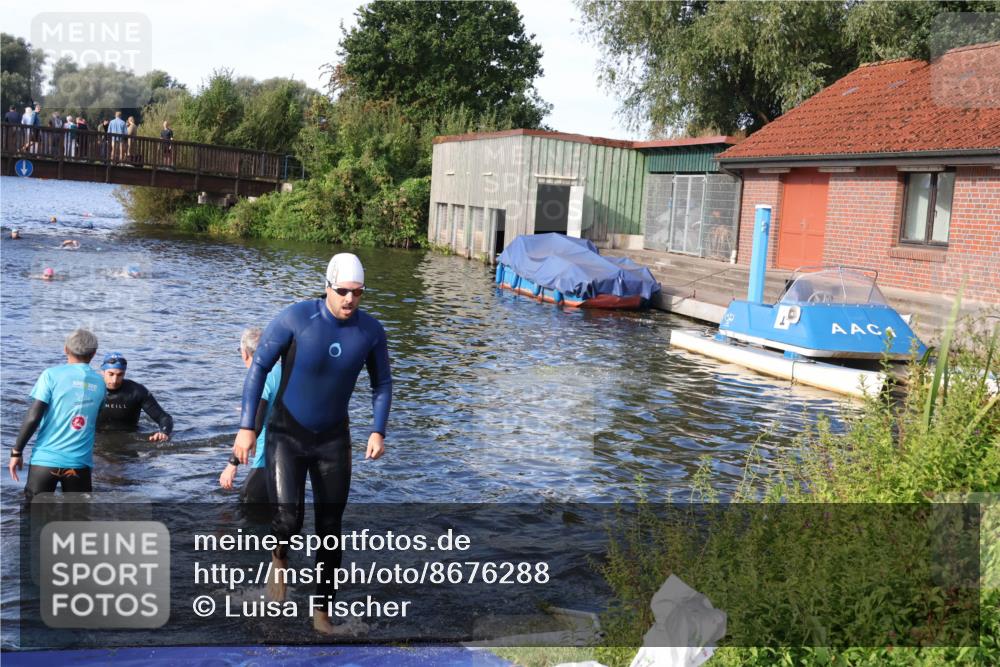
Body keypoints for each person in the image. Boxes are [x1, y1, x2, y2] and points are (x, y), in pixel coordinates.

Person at [232, 252, 391, 635]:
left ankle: (322, 615)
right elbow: (259, 367)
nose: (350, 299)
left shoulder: (370, 331)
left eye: (358, 292)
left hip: (333, 439)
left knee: (331, 528)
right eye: (343, 291)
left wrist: (378, 430)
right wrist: (246, 427)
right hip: (287, 434)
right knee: (289, 520)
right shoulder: (296, 318)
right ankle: (279, 559)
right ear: (328, 287)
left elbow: (382, 383)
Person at [9, 329, 106, 500]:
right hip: (80, 464)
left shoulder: (51, 375)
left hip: (45, 461)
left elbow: (33, 417)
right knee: (77, 515)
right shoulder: (100, 382)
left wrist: (17, 452)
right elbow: (95, 419)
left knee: (33, 514)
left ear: (66, 349)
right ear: (93, 354)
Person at [220, 327, 281, 504]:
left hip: (267, 461)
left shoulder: (260, 378)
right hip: (288, 459)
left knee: (245, 506)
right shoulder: (280, 370)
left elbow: (255, 425)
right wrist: (253, 408)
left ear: (245, 353)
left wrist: (232, 465)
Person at [96, 352, 173, 441]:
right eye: (111, 374)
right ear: (103, 372)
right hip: (98, 436)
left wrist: (164, 433)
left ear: (124, 373)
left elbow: (164, 417)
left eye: (120, 375)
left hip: (128, 438)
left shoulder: (137, 391)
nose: (114, 380)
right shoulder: (92, 390)